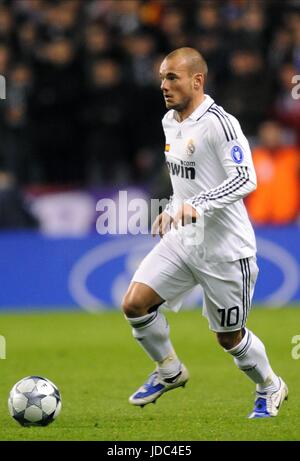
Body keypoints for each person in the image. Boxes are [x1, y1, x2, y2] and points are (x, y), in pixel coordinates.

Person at [122, 47, 288, 418]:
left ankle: (269, 385)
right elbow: (189, 181)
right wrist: (171, 208)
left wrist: (197, 205)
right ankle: (169, 370)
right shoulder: (170, 122)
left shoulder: (220, 123)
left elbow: (245, 178)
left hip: (225, 250)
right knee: (134, 304)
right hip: (185, 240)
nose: (163, 85)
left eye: (172, 77)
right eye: (162, 77)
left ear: (197, 80)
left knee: (229, 338)